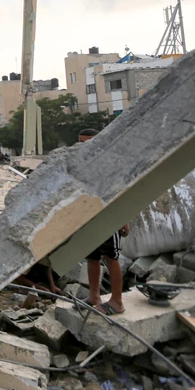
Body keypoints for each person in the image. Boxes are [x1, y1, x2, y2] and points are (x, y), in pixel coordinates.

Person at [79, 128, 130, 315]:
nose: (85, 146)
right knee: (92, 257)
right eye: (81, 143)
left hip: (109, 217)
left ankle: (117, 301)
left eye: (88, 142)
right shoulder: (84, 164)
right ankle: (94, 296)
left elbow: (121, 191)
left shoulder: (110, 164)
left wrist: (123, 219)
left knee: (111, 257)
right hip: (90, 216)